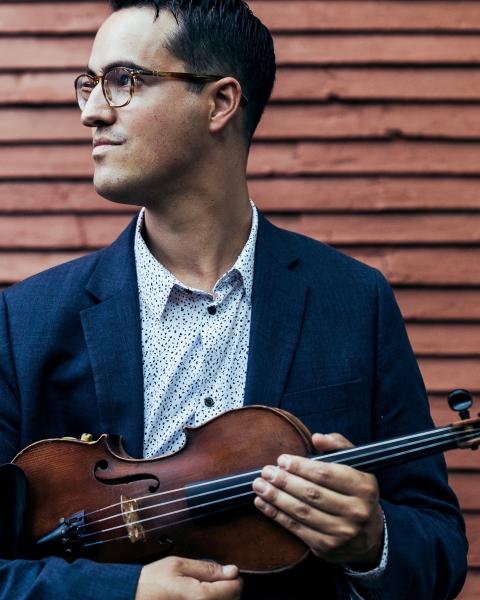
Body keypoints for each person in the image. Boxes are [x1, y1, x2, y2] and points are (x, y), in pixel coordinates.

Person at [0, 1, 468, 599]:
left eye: (123, 80)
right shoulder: (26, 321)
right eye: (88, 85)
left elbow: (439, 546)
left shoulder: (355, 301)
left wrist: (372, 539)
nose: (92, 111)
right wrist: (124, 593)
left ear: (220, 102)